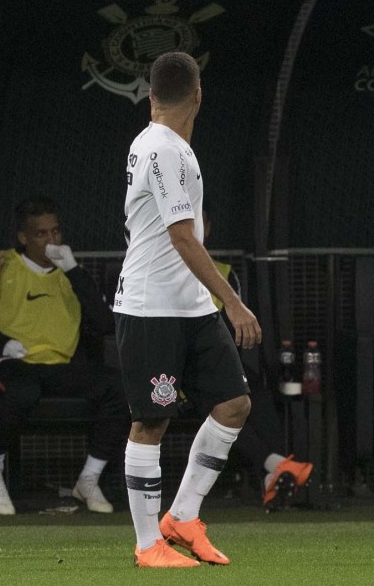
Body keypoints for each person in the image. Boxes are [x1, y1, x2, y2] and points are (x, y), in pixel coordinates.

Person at [113, 51, 261, 568]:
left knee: (233, 405)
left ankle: (183, 516)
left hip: (190, 305)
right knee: (150, 422)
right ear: (198, 95)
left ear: (151, 95)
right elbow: (181, 237)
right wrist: (234, 301)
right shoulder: (163, 149)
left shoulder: (162, 144)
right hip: (152, 306)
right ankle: (147, 543)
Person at [0, 196, 130, 515]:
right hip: (12, 362)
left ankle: (88, 479)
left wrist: (71, 270)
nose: (51, 240)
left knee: (119, 387)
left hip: (60, 366)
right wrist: (1, 343)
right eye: (41, 234)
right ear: (23, 238)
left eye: (55, 232)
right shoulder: (2, 265)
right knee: (22, 391)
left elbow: (104, 323)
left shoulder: (73, 273)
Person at [200, 206, 312, 510]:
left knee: (255, 391)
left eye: (200, 221)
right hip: (186, 377)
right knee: (219, 400)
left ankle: (270, 478)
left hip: (219, 365)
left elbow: (230, 333)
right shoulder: (165, 271)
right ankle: (277, 467)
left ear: (208, 229)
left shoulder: (224, 274)